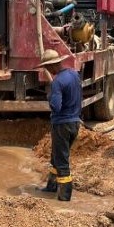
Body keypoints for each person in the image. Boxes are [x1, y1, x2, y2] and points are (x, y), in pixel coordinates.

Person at [37, 49, 81, 201]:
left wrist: (50, 96)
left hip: (62, 124)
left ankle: (65, 196)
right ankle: (51, 186)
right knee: (56, 156)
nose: (47, 70)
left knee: (62, 160)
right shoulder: (74, 74)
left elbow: (56, 106)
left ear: (52, 66)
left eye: (47, 67)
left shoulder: (57, 82)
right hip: (75, 122)